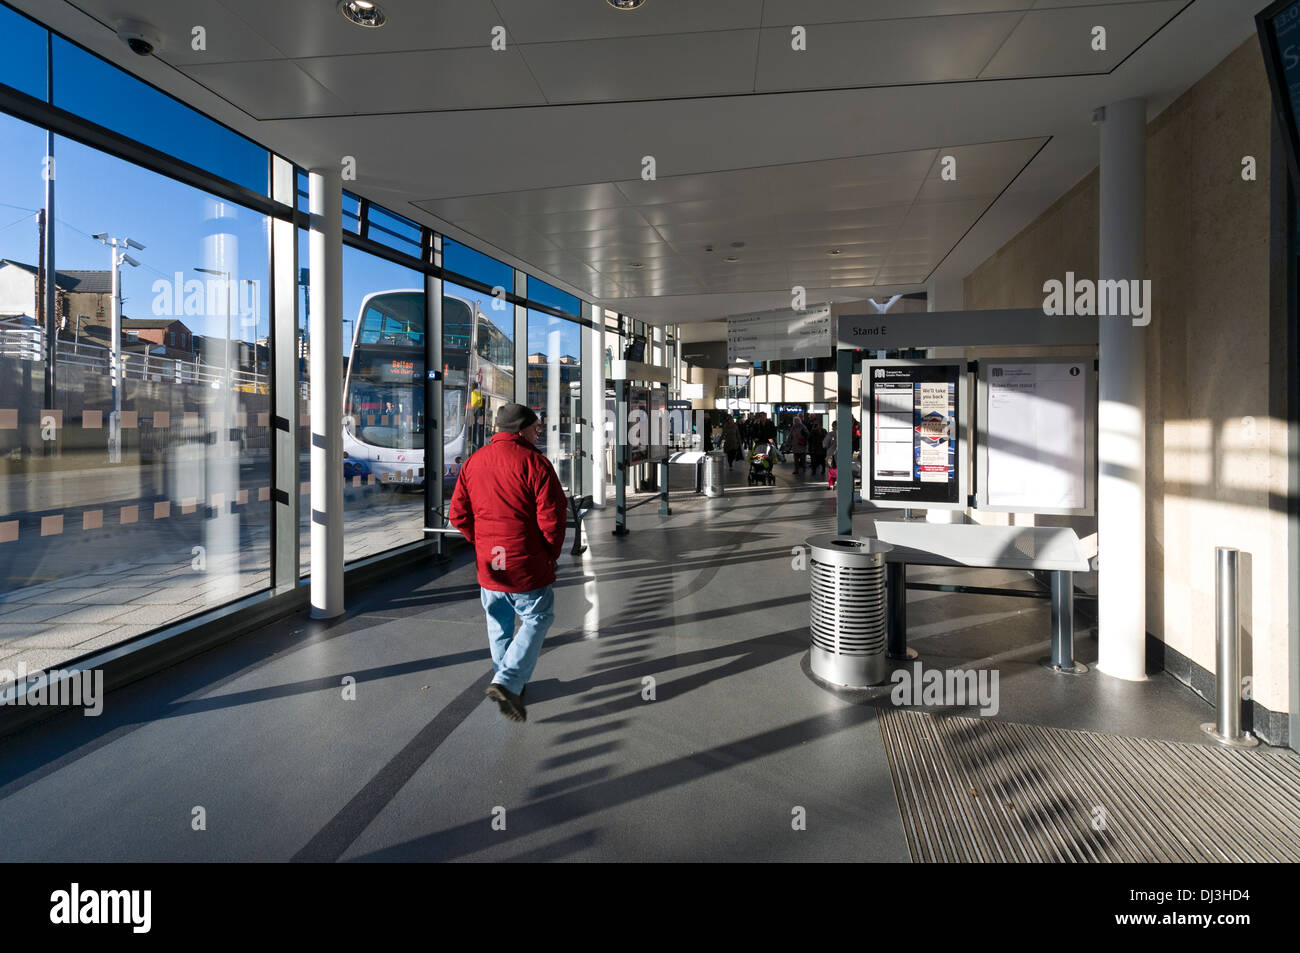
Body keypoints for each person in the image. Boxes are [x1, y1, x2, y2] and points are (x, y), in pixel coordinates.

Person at [448, 403, 568, 723]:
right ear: (521, 430)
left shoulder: (473, 463)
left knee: (498, 621)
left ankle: (510, 682)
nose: (537, 433)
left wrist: (482, 542)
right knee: (538, 616)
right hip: (524, 562)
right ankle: (507, 681)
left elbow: (458, 515)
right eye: (534, 428)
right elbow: (553, 520)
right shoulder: (535, 464)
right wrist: (549, 555)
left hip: (490, 562)